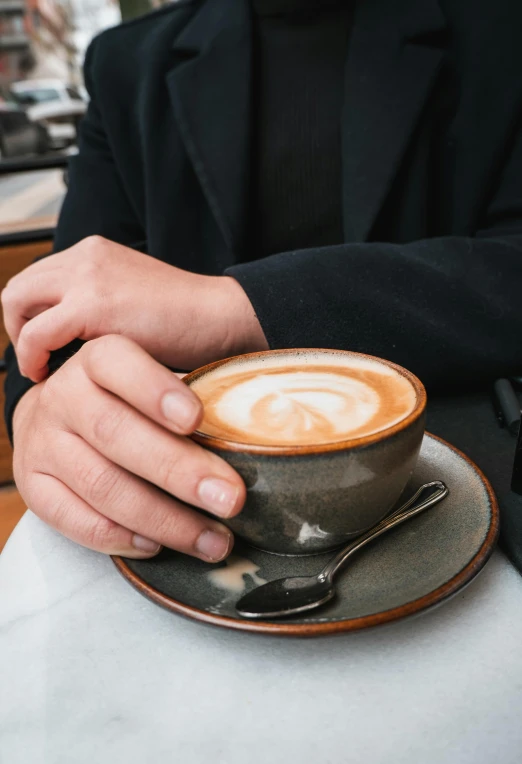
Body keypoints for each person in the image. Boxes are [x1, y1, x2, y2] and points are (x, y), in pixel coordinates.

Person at [2, 0, 522, 562]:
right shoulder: (126, 62)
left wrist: (231, 309)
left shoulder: (501, 30)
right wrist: (38, 409)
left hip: (449, 509)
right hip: (197, 527)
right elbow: (60, 315)